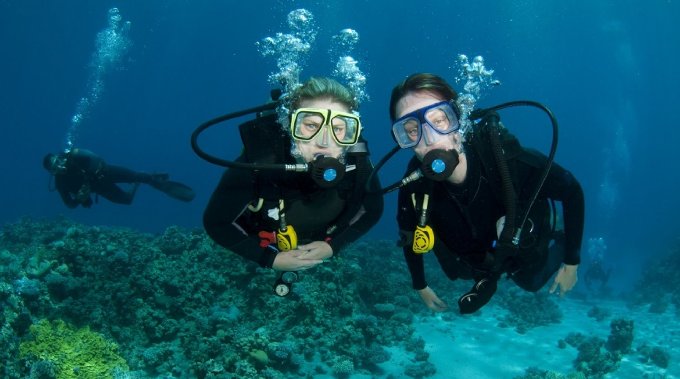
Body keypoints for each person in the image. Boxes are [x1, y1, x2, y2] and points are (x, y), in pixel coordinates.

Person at [389, 73, 584, 313]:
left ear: (457, 120)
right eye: (410, 131)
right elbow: (409, 237)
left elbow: (572, 190)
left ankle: (555, 230)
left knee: (532, 281)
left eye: (439, 120)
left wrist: (572, 262)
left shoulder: (505, 157)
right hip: (479, 262)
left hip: (522, 251)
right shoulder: (414, 188)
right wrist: (420, 285)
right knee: (462, 271)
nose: (428, 139)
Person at [203, 77, 383, 286]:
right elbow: (216, 223)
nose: (324, 141)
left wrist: (333, 246)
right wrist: (270, 259)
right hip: (263, 240)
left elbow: (373, 211)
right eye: (311, 125)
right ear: (291, 126)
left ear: (351, 132)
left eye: (339, 128)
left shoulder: (358, 166)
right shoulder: (260, 164)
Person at [43, 148, 195, 208]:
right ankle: (138, 182)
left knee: (137, 176)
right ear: (52, 172)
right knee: (127, 200)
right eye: (55, 167)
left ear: (60, 157)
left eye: (59, 161)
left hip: (106, 172)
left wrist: (89, 178)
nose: (60, 166)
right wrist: (79, 199)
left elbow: (96, 158)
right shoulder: (60, 182)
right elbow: (69, 204)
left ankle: (156, 182)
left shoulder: (74, 156)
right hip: (100, 188)